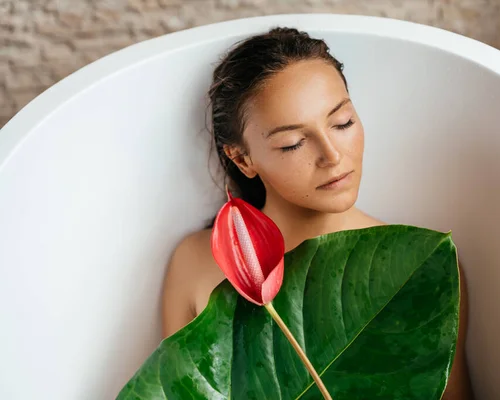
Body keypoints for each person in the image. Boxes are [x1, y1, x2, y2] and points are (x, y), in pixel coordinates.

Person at [161, 27, 472, 399]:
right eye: (293, 144)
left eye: (343, 123)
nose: (333, 155)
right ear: (242, 158)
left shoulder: (415, 265)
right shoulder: (195, 264)